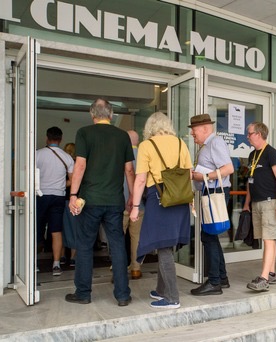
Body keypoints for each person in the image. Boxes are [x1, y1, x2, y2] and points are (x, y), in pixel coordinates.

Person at [66, 98, 134, 306]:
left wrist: (73, 195)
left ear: (92, 114)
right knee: (117, 246)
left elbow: (80, 166)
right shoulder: (122, 136)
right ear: (111, 115)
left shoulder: (85, 133)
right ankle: (122, 295)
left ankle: (83, 293)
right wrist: (132, 197)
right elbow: (129, 169)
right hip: (114, 201)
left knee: (85, 245)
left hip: (90, 199)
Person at [129, 112, 192, 308]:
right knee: (164, 244)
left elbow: (140, 179)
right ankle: (161, 290)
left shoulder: (147, 145)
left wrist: (135, 207)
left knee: (163, 246)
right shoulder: (181, 143)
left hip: (159, 198)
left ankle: (172, 297)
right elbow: (189, 174)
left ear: (150, 127)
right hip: (179, 199)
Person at [189, 114, 234, 296]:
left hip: (215, 193)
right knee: (211, 236)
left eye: (194, 131)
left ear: (205, 129)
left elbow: (228, 168)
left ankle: (214, 281)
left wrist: (204, 177)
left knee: (208, 236)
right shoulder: (207, 145)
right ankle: (221, 278)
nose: (192, 134)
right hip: (211, 193)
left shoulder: (215, 143)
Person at [243, 122, 276, 292]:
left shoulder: (271, 153)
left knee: (269, 239)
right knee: (267, 239)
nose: (247, 136)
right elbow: (250, 181)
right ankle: (272, 272)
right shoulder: (252, 155)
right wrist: (247, 203)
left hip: (270, 202)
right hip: (256, 202)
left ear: (259, 134)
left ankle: (264, 278)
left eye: (250, 133)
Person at [36, 127, 74, 276]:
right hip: (58, 196)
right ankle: (56, 264)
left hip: (41, 195)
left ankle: (34, 263)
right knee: (56, 231)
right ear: (60, 139)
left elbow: (29, 177)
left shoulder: (37, 155)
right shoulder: (67, 157)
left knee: (37, 229)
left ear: (47, 138)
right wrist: (58, 185)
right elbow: (72, 180)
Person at [123, 130, 144, 280]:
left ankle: (119, 266)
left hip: (122, 202)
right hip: (140, 204)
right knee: (136, 237)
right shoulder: (144, 155)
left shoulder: (120, 154)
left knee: (117, 236)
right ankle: (136, 268)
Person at [62, 142, 77, 267]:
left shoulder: (63, 164)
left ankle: (61, 256)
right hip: (76, 199)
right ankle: (73, 256)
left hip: (62, 198)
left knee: (60, 228)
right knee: (74, 228)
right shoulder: (79, 164)